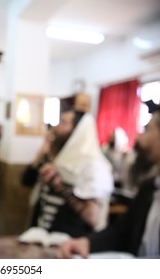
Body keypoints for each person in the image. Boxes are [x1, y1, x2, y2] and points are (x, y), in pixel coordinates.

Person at [59, 102, 160, 258]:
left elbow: (92, 217)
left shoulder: (96, 168)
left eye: (146, 130)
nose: (139, 137)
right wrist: (87, 243)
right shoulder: (150, 188)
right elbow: (123, 232)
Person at [22, 109, 113, 237]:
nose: (56, 127)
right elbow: (27, 181)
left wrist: (60, 187)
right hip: (45, 235)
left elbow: (91, 217)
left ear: (78, 131)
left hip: (69, 243)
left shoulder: (94, 167)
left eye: (63, 123)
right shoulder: (60, 159)